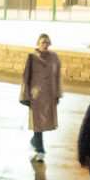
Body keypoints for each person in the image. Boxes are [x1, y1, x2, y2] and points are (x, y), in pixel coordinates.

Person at [20, 33, 62, 161]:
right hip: (36, 96)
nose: (45, 45)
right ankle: (40, 150)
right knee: (37, 124)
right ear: (38, 43)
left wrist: (58, 94)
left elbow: (58, 76)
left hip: (49, 96)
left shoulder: (54, 57)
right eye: (43, 42)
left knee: (44, 125)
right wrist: (24, 95)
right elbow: (25, 77)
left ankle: (35, 142)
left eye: (47, 42)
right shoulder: (32, 57)